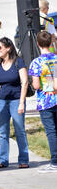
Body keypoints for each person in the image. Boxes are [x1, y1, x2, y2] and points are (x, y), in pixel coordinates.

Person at [0, 37, 29, 169]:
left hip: (16, 100)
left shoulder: (18, 62)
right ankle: (3, 160)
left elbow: (24, 82)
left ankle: (23, 160)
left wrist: (21, 103)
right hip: (2, 101)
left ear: (8, 48)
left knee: (20, 130)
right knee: (3, 131)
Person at [29, 31, 57, 173]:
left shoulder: (36, 62)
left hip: (46, 101)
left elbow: (36, 86)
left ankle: (54, 162)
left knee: (51, 132)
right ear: (51, 43)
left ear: (38, 44)